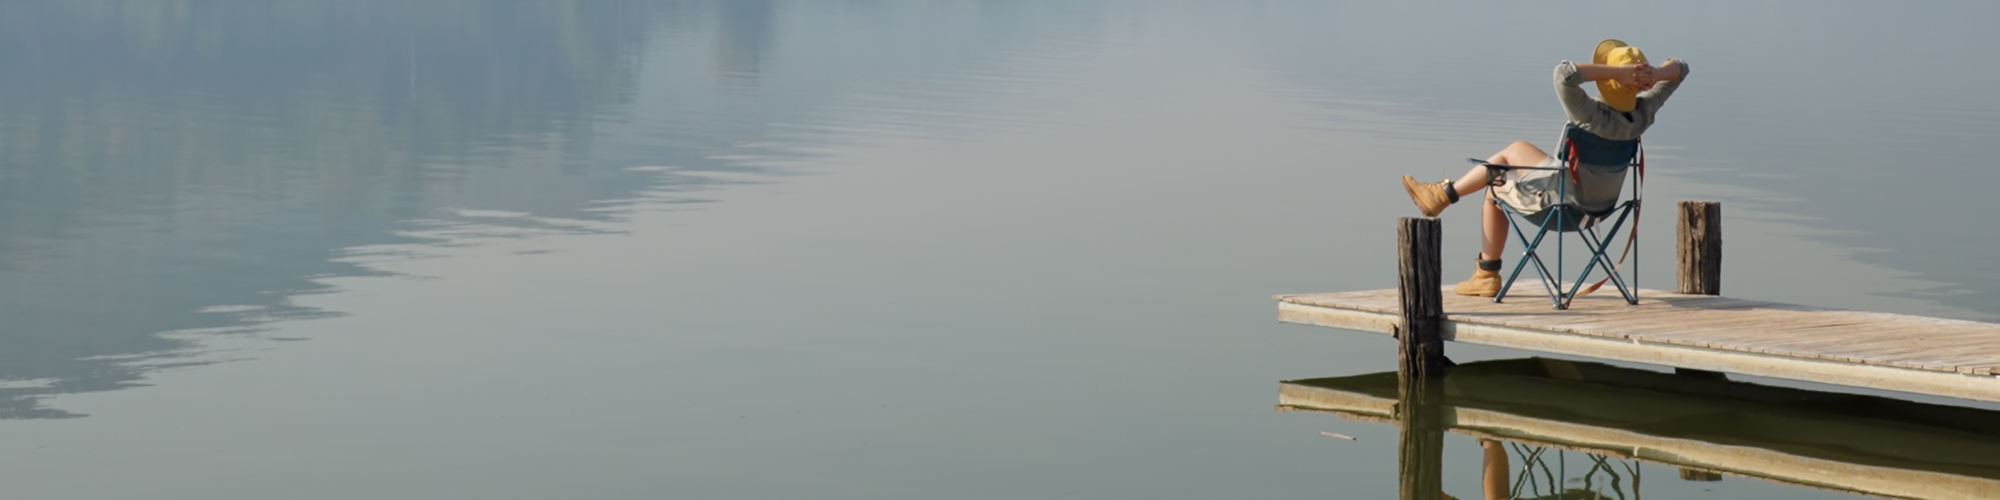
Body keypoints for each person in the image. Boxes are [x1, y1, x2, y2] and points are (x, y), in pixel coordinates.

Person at [1400, 39, 1688, 297]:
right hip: (1600, 210)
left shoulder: (1589, 114)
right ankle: (1444, 194)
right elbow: (1681, 68)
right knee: (1515, 149)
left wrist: (1616, 72)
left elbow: (1564, 74)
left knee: (1495, 186)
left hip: (1563, 207)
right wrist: (1656, 75)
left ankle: (1485, 271)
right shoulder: (1644, 113)